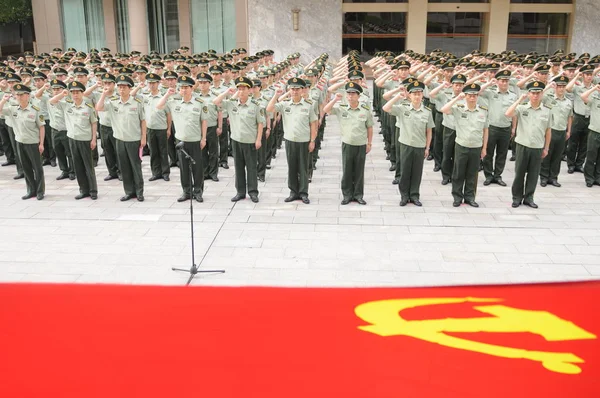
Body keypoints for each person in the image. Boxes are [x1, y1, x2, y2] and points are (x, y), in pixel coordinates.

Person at [267, 77, 318, 204]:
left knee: (303, 168)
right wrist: (276, 96)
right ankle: (293, 192)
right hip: (290, 141)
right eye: (292, 89)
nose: (294, 91)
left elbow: (313, 124)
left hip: (304, 141)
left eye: (297, 89)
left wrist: (312, 141)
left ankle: (303, 193)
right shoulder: (285, 104)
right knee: (292, 167)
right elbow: (269, 109)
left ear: (302, 90)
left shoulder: (309, 105)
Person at [157, 75, 208, 202]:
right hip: (181, 141)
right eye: (181, 87)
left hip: (195, 140)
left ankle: (198, 191)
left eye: (186, 87)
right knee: (184, 169)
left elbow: (204, 121)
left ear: (192, 89)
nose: (183, 90)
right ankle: (186, 191)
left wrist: (204, 138)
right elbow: (158, 106)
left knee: (197, 168)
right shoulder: (174, 102)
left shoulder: (199, 103)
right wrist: (167, 95)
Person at [214, 77, 265, 202]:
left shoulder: (256, 105)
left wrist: (258, 140)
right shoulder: (232, 103)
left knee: (252, 167)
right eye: (239, 89)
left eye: (244, 89)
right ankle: (240, 192)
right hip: (236, 141)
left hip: (250, 141)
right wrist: (228, 92)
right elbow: (216, 101)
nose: (241, 91)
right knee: (239, 167)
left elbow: (260, 124)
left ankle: (253, 192)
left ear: (250, 90)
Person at [96, 75, 147, 202]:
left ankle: (139, 192)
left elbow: (143, 121)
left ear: (130, 88)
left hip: (134, 140)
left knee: (136, 167)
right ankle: (129, 192)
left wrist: (143, 138)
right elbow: (98, 108)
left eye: (124, 87)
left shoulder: (137, 102)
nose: (121, 90)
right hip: (119, 140)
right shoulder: (113, 102)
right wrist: (103, 94)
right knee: (124, 167)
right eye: (119, 87)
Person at [383, 81, 433, 206]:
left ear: (422, 95)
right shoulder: (402, 108)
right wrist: (397, 97)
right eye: (414, 94)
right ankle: (404, 196)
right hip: (405, 144)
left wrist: (427, 147)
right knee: (405, 172)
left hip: (420, 146)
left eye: (419, 93)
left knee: (417, 172)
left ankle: (414, 195)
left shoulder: (427, 111)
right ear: (409, 95)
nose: (417, 96)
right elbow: (386, 108)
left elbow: (429, 131)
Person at [324, 81, 374, 205]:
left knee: (359, 171)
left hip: (361, 144)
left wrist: (369, 143)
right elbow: (326, 110)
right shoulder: (342, 108)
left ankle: (358, 195)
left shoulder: (365, 109)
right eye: (349, 94)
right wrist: (335, 100)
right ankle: (347, 195)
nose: (351, 96)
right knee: (347, 170)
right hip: (347, 144)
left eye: (353, 94)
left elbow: (370, 127)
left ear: (358, 96)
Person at [441, 83, 489, 208]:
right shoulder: (459, 108)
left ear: (477, 96)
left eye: (474, 95)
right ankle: (457, 197)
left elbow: (486, 130)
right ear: (465, 96)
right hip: (461, 145)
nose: (472, 98)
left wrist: (484, 148)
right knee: (458, 173)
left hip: (476, 146)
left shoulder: (483, 111)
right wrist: (457, 98)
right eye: (469, 95)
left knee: (472, 174)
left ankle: (470, 197)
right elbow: (444, 110)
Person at [505, 81, 551, 208]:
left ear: (542, 94)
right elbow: (508, 114)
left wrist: (546, 147)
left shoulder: (547, 111)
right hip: (522, 145)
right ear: (529, 94)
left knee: (533, 174)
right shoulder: (522, 107)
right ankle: (516, 197)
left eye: (538, 93)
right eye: (533, 93)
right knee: (519, 173)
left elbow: (548, 131)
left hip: (537, 147)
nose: (535, 96)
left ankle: (529, 197)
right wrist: (520, 99)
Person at [50, 81, 99, 199]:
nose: (75, 95)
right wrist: (62, 94)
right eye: (73, 93)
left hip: (85, 139)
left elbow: (94, 123)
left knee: (88, 166)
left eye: (77, 92)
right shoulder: (67, 105)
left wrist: (94, 139)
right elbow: (52, 101)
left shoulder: (88, 107)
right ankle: (83, 190)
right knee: (78, 166)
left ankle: (93, 191)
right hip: (72, 139)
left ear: (82, 93)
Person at [0, 84, 45, 200]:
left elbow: (41, 127)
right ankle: (31, 190)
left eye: (21, 94)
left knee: (37, 168)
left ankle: (40, 191)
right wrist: (3, 101)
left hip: (33, 143)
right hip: (19, 142)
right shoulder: (13, 109)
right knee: (26, 168)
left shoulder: (35, 110)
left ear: (28, 96)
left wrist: (41, 143)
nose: (19, 97)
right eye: (17, 95)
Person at [479, 70, 518, 186]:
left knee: (502, 153)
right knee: (488, 153)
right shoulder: (491, 93)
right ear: (498, 82)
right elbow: (478, 91)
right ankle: (488, 175)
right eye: (502, 80)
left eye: (506, 81)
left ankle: (497, 175)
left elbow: (515, 113)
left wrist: (514, 128)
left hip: (506, 127)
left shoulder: (513, 96)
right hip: (492, 127)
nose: (505, 83)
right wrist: (489, 83)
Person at [540, 76, 573, 187]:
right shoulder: (548, 98)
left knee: (557, 156)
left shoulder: (568, 101)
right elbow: (539, 96)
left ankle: (553, 177)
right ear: (556, 87)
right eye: (559, 86)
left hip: (562, 131)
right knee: (547, 154)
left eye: (563, 86)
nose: (561, 89)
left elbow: (570, 116)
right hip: (550, 130)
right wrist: (549, 86)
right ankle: (544, 177)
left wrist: (569, 131)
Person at [142, 72, 171, 182]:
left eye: (154, 83)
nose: (152, 85)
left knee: (163, 151)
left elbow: (168, 114)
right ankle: (155, 172)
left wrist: (168, 128)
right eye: (149, 83)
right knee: (153, 152)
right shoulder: (145, 97)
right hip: (150, 128)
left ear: (158, 83)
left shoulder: (163, 97)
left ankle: (165, 173)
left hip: (161, 128)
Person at [195, 72, 221, 182]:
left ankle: (213, 173)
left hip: (212, 127)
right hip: (200, 128)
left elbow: (220, 112)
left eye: (204, 82)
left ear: (209, 83)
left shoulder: (215, 96)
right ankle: (205, 172)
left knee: (213, 151)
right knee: (202, 152)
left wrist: (220, 127)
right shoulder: (195, 97)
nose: (202, 85)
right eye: (200, 82)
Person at [580, 83, 600, 187]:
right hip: (594, 131)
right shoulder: (595, 99)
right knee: (591, 156)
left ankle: (598, 177)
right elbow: (583, 96)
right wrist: (593, 89)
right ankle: (589, 178)